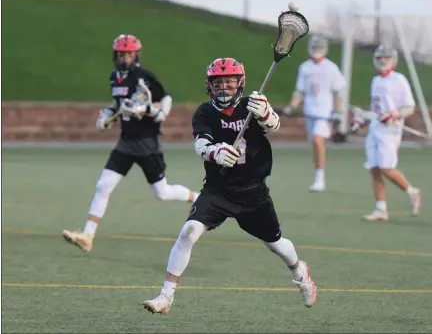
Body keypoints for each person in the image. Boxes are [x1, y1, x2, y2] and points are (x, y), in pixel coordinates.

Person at [141, 57, 317, 315]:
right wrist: (216, 152)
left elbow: (274, 126)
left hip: (253, 192)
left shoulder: (251, 105)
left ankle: (300, 272)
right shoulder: (204, 112)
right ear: (209, 86)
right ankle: (166, 297)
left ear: (240, 84)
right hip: (218, 190)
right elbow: (200, 145)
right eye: (218, 83)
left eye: (229, 83)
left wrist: (265, 113)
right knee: (189, 231)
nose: (223, 88)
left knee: (276, 244)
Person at [62, 34, 199, 252]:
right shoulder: (114, 78)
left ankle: (197, 198)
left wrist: (150, 110)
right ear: (115, 55)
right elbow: (119, 105)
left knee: (162, 193)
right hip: (125, 143)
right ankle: (88, 235)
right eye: (121, 54)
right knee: (103, 186)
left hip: (147, 143)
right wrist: (107, 115)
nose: (125, 58)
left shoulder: (144, 76)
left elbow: (166, 98)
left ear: (135, 55)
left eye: (129, 54)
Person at [351, 45, 421, 221]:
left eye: (387, 58)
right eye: (380, 57)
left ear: (393, 60)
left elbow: (409, 107)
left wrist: (395, 115)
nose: (383, 60)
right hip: (375, 128)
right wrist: (362, 119)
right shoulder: (376, 81)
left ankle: (412, 191)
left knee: (386, 168)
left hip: (390, 130)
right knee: (374, 169)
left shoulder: (399, 80)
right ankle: (381, 209)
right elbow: (376, 109)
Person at [281, 36, 346, 192]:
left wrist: (337, 111)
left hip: (325, 112)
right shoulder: (305, 68)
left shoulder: (331, 67)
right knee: (315, 144)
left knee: (318, 141)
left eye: (319, 48)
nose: (317, 51)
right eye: (315, 48)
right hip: (310, 111)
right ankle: (318, 175)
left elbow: (338, 92)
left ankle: (320, 180)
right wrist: (292, 106)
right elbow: (300, 91)